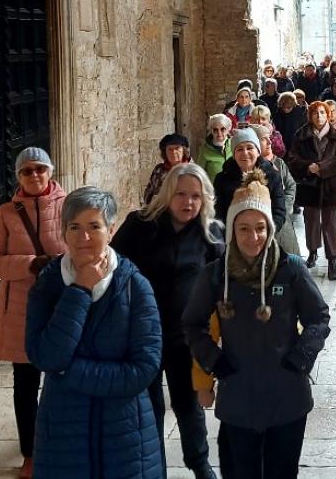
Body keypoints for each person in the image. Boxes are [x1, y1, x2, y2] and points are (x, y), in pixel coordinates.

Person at [182, 171, 332, 479]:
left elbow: (319, 317)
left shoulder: (290, 269)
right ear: (232, 230)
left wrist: (299, 360)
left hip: (287, 395)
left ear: (271, 229)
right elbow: (193, 323)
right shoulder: (215, 274)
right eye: (244, 229)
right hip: (239, 395)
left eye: (261, 228)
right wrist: (214, 361)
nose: (253, 238)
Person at [25, 187, 163, 478]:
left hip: (126, 437)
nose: (83, 237)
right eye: (74, 227)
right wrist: (80, 291)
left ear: (111, 230)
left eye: (94, 227)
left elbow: (143, 369)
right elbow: (44, 356)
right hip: (63, 435)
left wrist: (68, 372)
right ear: (63, 231)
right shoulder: (47, 285)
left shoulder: (135, 287)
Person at [111, 165, 223, 479]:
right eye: (181, 194)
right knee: (149, 408)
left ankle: (200, 464)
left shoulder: (211, 233)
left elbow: (224, 283)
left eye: (196, 196)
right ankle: (153, 468)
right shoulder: (139, 225)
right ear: (167, 194)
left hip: (185, 337)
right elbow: (114, 268)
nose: (188, 202)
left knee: (188, 406)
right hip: (142, 333)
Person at [0, 148, 67, 479]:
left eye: (39, 169)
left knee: (63, 379)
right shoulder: (6, 213)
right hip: (21, 308)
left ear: (50, 172)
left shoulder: (67, 204)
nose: (34, 176)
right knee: (26, 382)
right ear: (18, 176)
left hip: (62, 304)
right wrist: (30, 263)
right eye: (27, 171)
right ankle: (30, 453)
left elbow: (84, 245)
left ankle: (61, 443)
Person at [287, 101, 336, 280]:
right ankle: (312, 251)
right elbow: (293, 158)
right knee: (311, 221)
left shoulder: (335, 135)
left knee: (330, 225)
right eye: (315, 113)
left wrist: (320, 167)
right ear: (310, 116)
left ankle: (332, 261)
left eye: (322, 113)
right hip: (309, 186)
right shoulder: (302, 135)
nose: (319, 116)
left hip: (330, 186)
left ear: (328, 115)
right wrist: (308, 167)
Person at [213, 128, 288, 231]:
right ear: (234, 155)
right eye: (239, 149)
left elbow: (279, 211)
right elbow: (218, 213)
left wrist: (267, 232)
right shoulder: (222, 179)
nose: (245, 153)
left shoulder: (272, 176)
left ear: (257, 152)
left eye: (249, 148)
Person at [252, 123, 302, 257]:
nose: (269, 142)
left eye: (269, 138)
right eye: (263, 139)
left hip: (281, 222)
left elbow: (291, 185)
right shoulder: (248, 167)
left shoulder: (278, 163)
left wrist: (283, 206)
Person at [142, 133, 190, 206]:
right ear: (165, 152)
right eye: (170, 149)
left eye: (177, 148)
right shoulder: (159, 170)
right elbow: (149, 191)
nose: (173, 152)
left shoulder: (192, 171)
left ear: (183, 151)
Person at [196, 114, 232, 180]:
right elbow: (199, 172)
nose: (219, 133)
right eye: (215, 130)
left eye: (222, 129)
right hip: (214, 188)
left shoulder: (234, 144)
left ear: (228, 129)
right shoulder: (205, 149)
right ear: (211, 131)